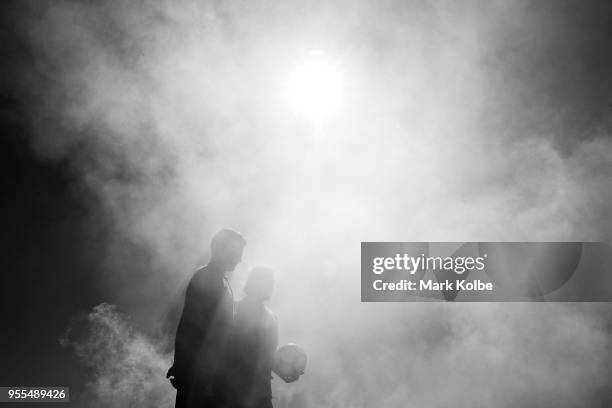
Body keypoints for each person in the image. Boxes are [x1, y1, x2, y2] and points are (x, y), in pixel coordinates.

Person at [167, 229, 246, 408]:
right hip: (201, 376)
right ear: (221, 249)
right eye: (236, 253)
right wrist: (182, 365)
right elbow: (188, 325)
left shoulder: (222, 282)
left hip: (212, 375)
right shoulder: (204, 278)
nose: (240, 259)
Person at [231, 267, 279, 408]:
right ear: (254, 283)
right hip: (234, 392)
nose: (272, 286)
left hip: (262, 394)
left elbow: (270, 359)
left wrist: (288, 369)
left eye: (273, 282)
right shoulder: (234, 309)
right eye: (268, 282)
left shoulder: (273, 318)